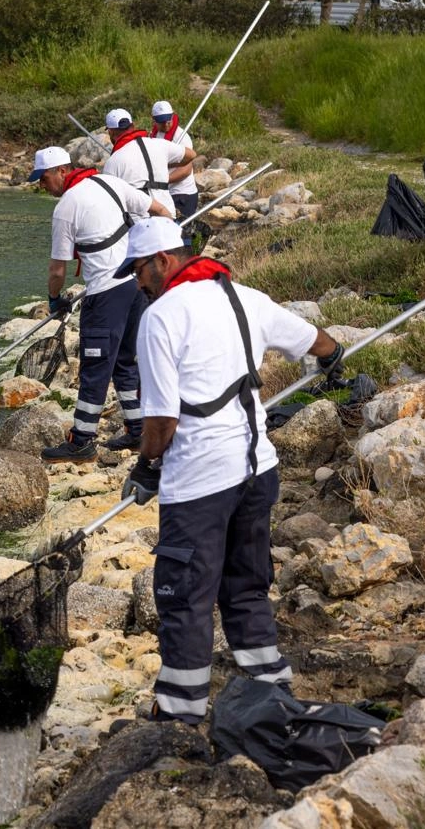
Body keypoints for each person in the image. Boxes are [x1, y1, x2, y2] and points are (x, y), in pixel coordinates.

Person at [113, 217, 343, 724]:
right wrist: (335, 360)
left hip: (199, 480)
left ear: (164, 262)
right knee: (245, 585)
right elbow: (318, 342)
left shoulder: (161, 318)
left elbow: (161, 420)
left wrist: (146, 464)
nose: (138, 283)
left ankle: (179, 710)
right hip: (259, 471)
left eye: (139, 272)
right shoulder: (245, 297)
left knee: (185, 594)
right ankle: (272, 691)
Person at [28, 145, 175, 462]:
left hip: (106, 294)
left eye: (44, 178)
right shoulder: (112, 183)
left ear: (62, 172)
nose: (41, 185)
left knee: (95, 369)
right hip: (137, 287)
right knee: (125, 362)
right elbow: (162, 212)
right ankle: (138, 431)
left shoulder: (67, 207)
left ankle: (81, 441)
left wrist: (55, 300)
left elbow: (58, 269)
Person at [101, 107, 194, 216]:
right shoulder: (158, 143)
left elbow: (110, 201)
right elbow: (191, 155)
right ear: (133, 126)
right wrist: (164, 163)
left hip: (140, 221)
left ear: (111, 132)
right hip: (167, 213)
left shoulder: (113, 162)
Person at [149, 100, 201, 221]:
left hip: (183, 194)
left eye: (169, 120)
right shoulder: (154, 135)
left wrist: (161, 181)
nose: (166, 124)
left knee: (183, 233)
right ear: (153, 119)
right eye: (161, 122)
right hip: (165, 193)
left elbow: (186, 170)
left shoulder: (182, 137)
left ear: (173, 115)